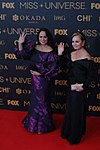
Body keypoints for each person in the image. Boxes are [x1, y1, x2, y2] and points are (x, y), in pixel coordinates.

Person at [15, 28, 61, 134]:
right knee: (35, 102)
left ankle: (43, 127)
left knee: (43, 102)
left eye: (45, 37)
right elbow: (23, 56)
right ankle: (32, 125)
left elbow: (54, 69)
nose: (43, 39)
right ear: (38, 37)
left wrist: (41, 73)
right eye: (40, 37)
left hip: (44, 80)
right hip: (34, 80)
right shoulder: (34, 48)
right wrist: (20, 44)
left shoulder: (51, 51)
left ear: (48, 37)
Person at [58, 31, 94, 144]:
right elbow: (63, 67)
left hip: (80, 89)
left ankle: (75, 136)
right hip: (71, 87)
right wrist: (60, 54)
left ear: (83, 42)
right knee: (70, 110)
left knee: (77, 112)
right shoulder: (71, 54)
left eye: (77, 41)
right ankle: (68, 131)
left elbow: (92, 76)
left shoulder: (87, 57)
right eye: (73, 41)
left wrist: (83, 86)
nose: (74, 44)